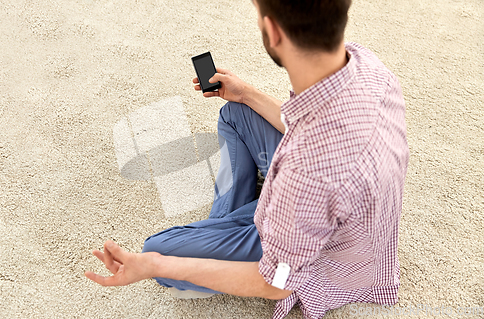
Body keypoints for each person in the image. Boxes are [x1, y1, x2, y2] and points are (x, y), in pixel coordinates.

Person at [85, 0, 409, 318]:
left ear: (272, 29)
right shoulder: (367, 65)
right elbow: (306, 123)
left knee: (157, 249)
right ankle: (230, 224)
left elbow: (276, 283)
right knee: (235, 113)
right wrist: (245, 93)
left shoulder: (305, 171)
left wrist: (154, 265)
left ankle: (226, 229)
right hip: (328, 198)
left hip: (309, 234)